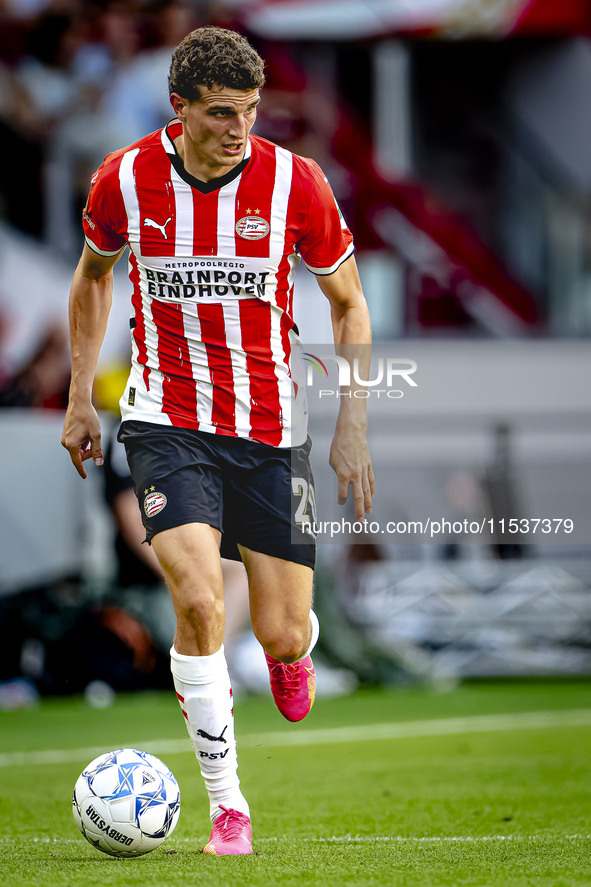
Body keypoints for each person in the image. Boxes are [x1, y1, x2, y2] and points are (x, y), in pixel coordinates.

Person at [61, 26, 373, 856]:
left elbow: (347, 302)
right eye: (222, 113)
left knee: (279, 630)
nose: (241, 128)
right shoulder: (124, 178)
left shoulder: (296, 184)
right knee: (198, 601)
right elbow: (91, 282)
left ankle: (288, 653)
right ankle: (226, 806)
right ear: (181, 109)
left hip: (271, 430)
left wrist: (352, 424)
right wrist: (79, 398)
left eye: (250, 111)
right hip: (164, 420)